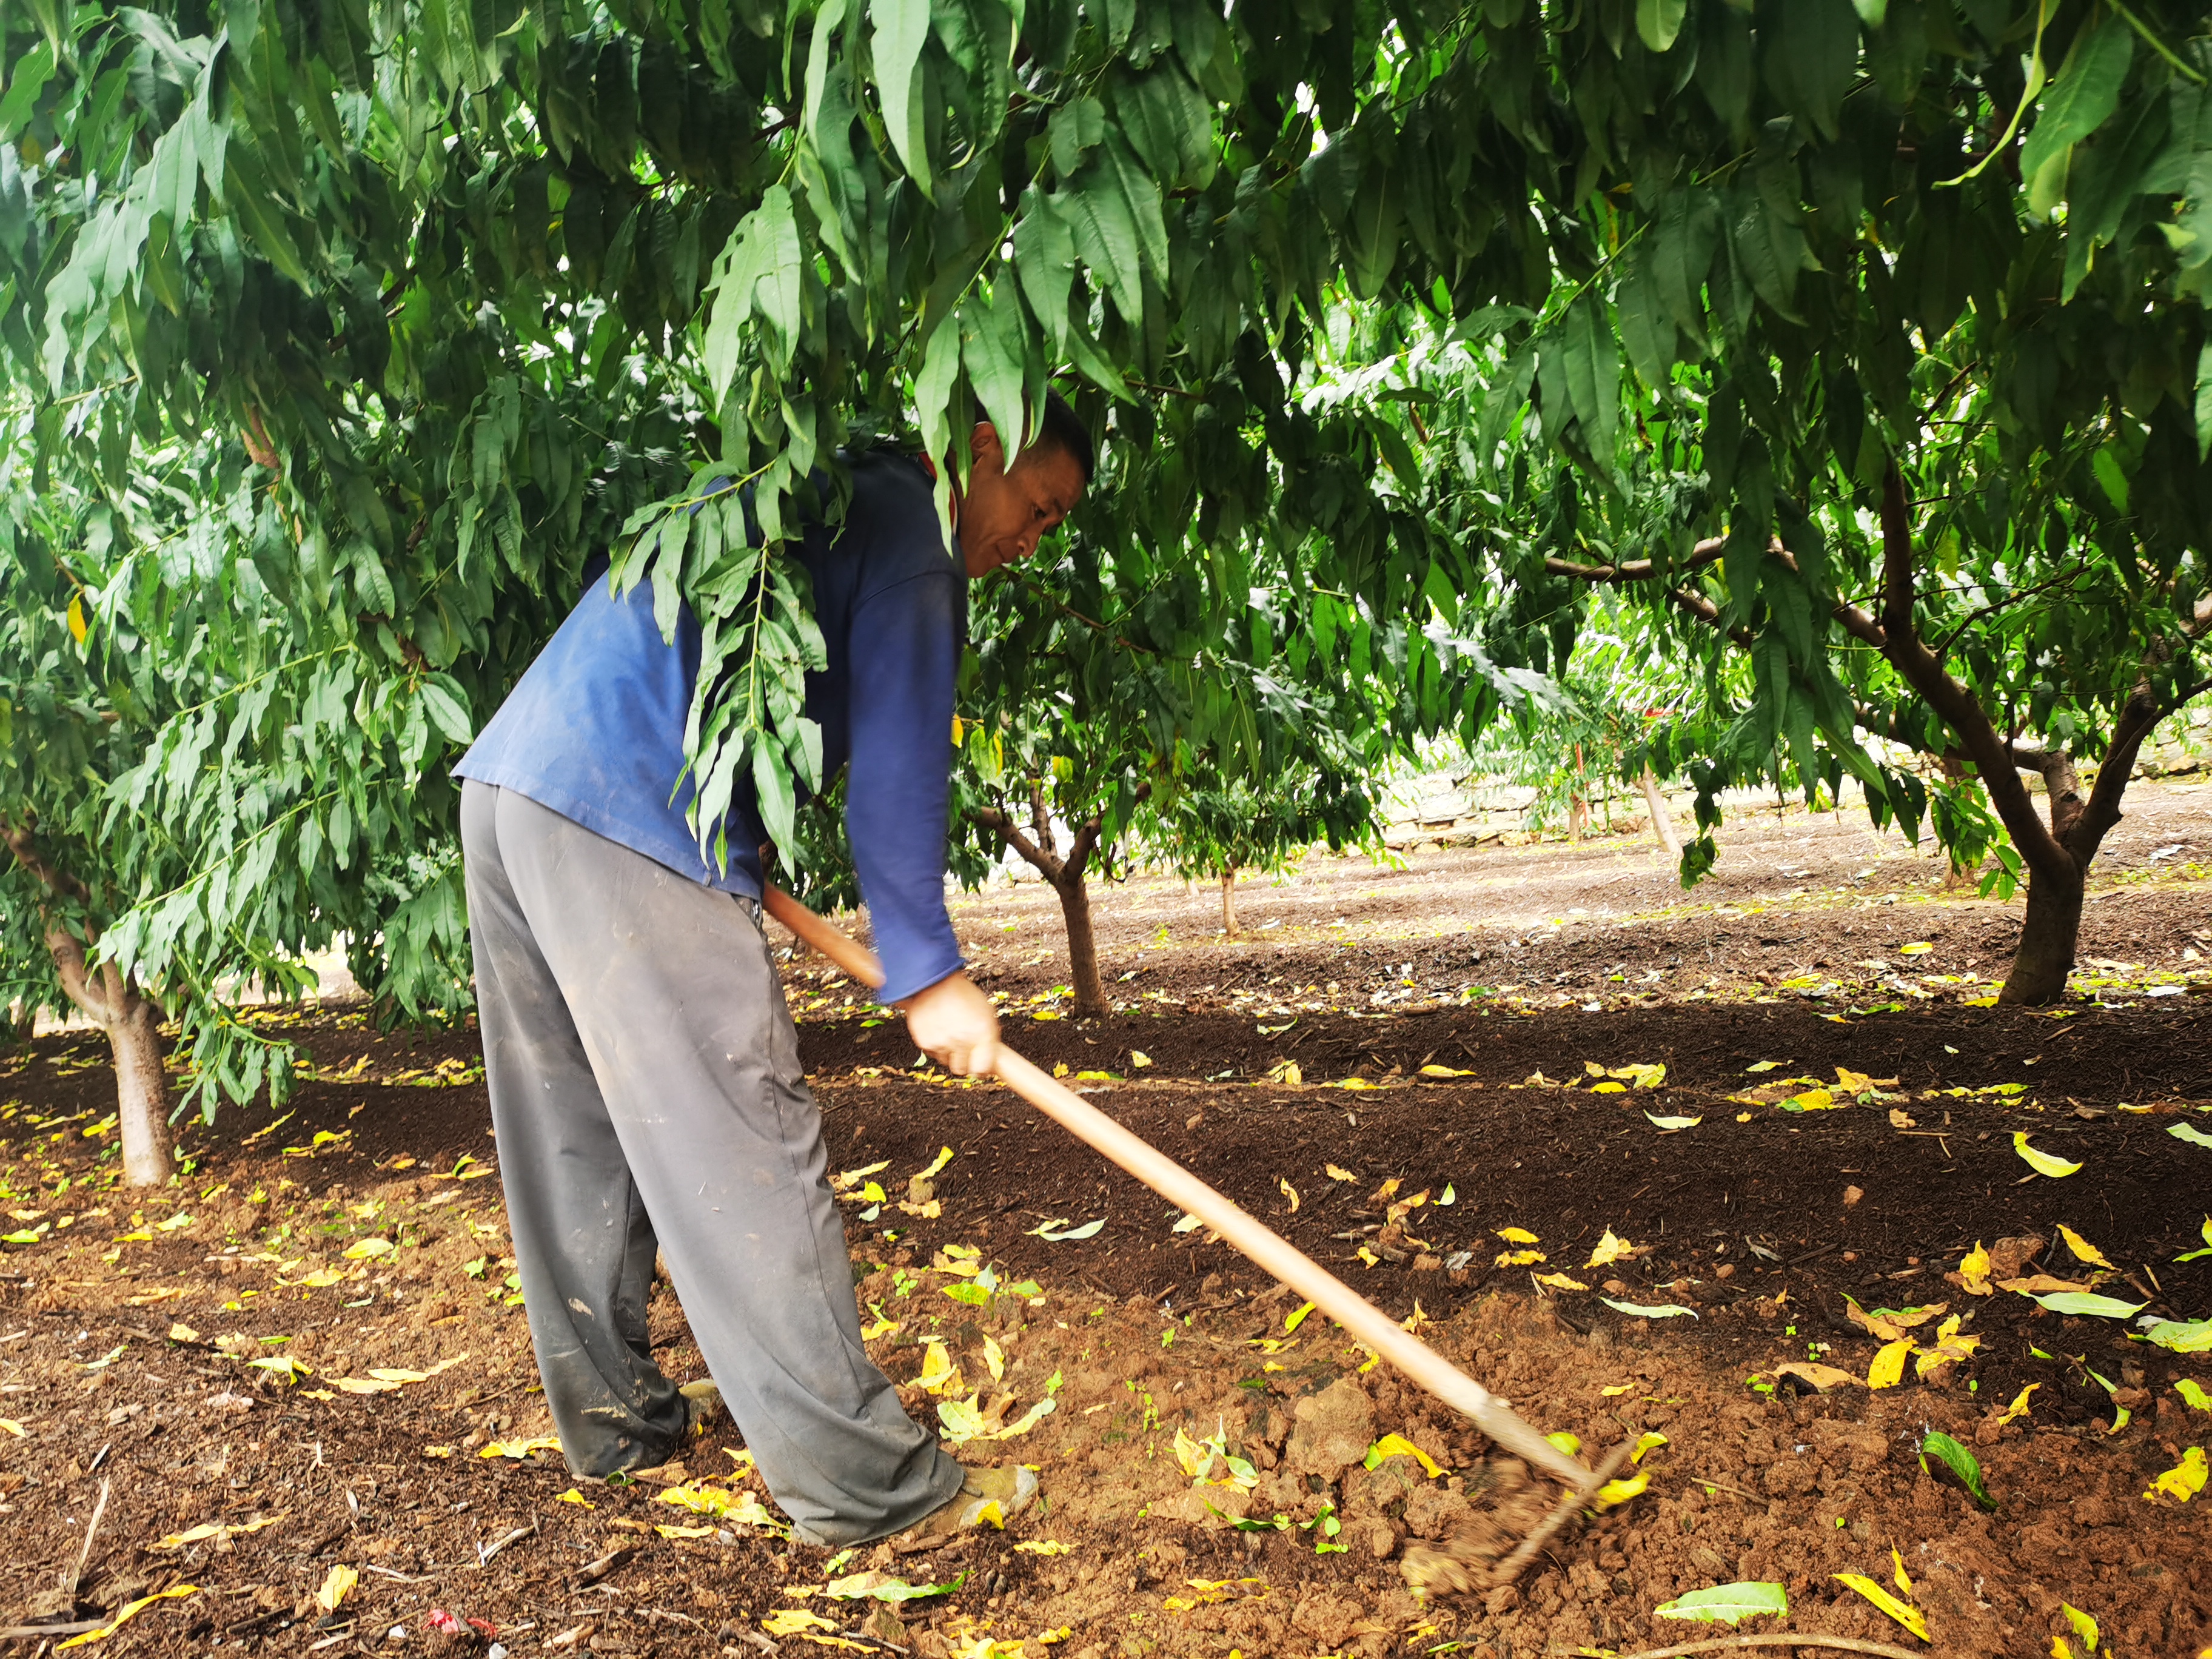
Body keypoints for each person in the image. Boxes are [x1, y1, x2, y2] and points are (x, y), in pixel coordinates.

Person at [450, 394, 1093, 1549]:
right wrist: (928, 970)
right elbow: (899, 762)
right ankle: (869, 1493)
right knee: (745, 1138)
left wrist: (741, 836)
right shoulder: (912, 530)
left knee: (573, 1131)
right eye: (1039, 507)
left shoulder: (809, 486)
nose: (1034, 541)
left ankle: (616, 1423)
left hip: (515, 785)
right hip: (628, 802)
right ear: (984, 445)